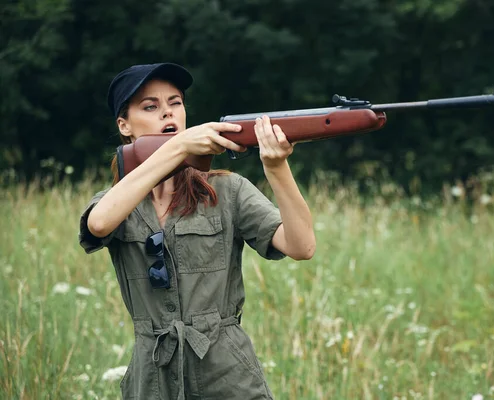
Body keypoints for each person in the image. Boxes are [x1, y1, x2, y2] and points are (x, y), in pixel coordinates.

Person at [78, 63, 316, 400]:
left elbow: (302, 245)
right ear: (124, 125)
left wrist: (277, 167)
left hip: (228, 377)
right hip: (151, 381)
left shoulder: (227, 190)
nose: (167, 113)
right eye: (151, 106)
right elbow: (98, 224)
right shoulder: (118, 201)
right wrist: (179, 148)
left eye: (175, 103)